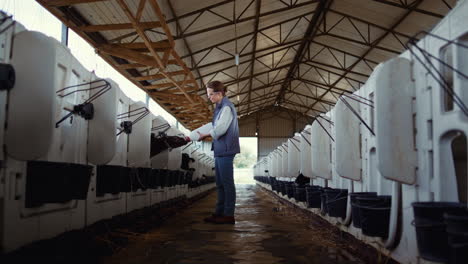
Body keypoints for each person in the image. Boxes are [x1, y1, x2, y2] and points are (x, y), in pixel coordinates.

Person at [188, 80, 240, 224]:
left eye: (211, 94)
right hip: (220, 149)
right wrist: (196, 133)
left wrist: (205, 135)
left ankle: (228, 215)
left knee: (227, 183)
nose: (209, 97)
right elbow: (213, 125)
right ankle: (219, 212)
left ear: (219, 93)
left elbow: (221, 128)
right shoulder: (219, 107)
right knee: (220, 183)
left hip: (226, 149)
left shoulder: (227, 108)